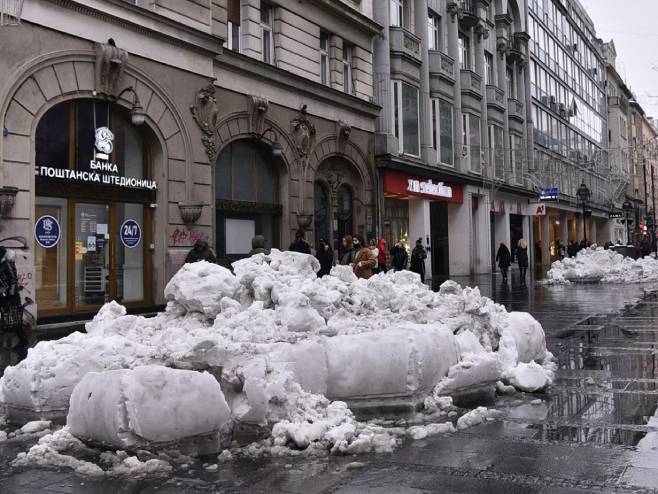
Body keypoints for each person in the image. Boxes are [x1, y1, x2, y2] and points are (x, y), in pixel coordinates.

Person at [0, 247, 28, 355]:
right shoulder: (2, 264)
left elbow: (13, 281)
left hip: (10, 297)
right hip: (4, 296)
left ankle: (23, 341)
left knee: (15, 321)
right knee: (11, 320)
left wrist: (9, 297)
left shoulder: (7, 264)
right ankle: (22, 341)